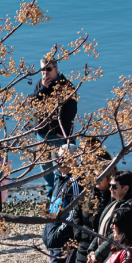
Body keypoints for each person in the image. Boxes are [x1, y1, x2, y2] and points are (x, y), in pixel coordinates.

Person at [72, 140, 113, 263]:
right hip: (84, 249)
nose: (97, 176)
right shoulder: (86, 192)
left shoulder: (113, 197)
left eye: (101, 171)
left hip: (104, 252)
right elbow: (77, 217)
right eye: (94, 171)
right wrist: (84, 240)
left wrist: (97, 249)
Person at [39, 145, 83, 263]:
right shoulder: (61, 179)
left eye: (63, 158)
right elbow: (54, 208)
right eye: (57, 157)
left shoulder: (75, 181)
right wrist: (48, 230)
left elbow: (75, 212)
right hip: (55, 235)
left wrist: (59, 234)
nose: (58, 161)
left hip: (65, 239)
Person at [31, 55, 78, 198]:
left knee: (61, 164)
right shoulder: (41, 83)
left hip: (59, 133)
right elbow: (32, 102)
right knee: (44, 163)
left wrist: (62, 131)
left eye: (49, 69)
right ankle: (51, 189)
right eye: (42, 69)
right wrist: (43, 88)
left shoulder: (66, 86)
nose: (45, 72)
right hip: (42, 131)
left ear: (56, 69)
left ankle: (59, 191)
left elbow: (71, 110)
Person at [85, 171, 132, 263]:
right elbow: (101, 230)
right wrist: (91, 250)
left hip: (113, 257)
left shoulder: (128, 210)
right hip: (103, 255)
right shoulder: (114, 203)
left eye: (114, 186)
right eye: (110, 185)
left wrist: (97, 254)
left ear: (125, 188)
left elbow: (115, 236)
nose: (110, 188)